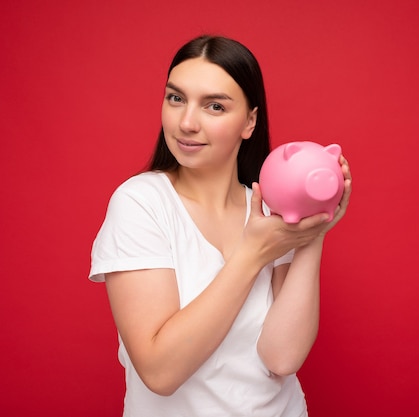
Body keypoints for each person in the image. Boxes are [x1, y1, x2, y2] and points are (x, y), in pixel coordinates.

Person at [89, 34, 352, 417]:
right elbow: (160, 372)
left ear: (249, 122)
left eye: (214, 106)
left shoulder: (269, 210)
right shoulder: (141, 203)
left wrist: (312, 231)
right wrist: (252, 254)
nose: (187, 122)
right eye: (176, 98)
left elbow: (282, 357)